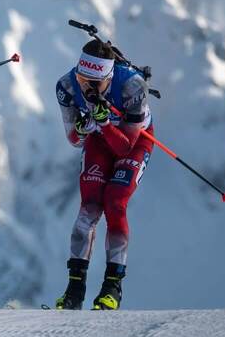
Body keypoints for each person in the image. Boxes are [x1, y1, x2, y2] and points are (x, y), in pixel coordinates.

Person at [54, 38, 154, 310]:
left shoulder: (133, 86)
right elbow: (74, 140)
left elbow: (125, 147)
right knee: (88, 208)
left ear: (109, 79)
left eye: (94, 84)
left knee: (115, 202)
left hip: (134, 141)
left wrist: (105, 123)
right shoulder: (66, 86)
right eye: (82, 79)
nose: (86, 88)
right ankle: (74, 289)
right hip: (100, 138)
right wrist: (84, 128)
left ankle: (112, 288)